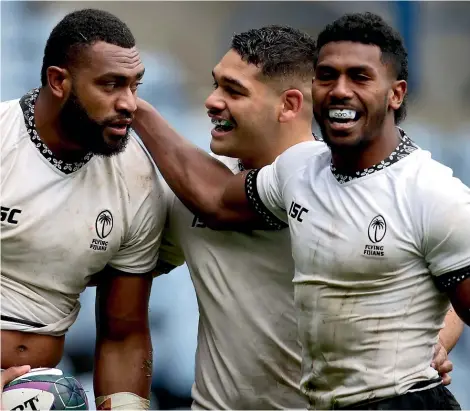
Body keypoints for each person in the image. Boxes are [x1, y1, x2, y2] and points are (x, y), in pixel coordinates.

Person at [135, 19, 467, 410]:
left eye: (234, 90)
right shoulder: (275, 177)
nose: (212, 101)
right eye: (327, 76)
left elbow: (446, 286)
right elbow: (211, 201)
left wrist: (428, 351)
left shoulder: (408, 190)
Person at [0, 9, 166, 410]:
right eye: (111, 85)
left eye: (134, 85)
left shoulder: (138, 181)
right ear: (59, 81)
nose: (129, 104)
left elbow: (123, 333)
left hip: (35, 398)